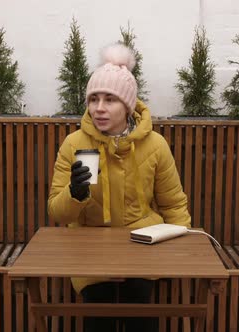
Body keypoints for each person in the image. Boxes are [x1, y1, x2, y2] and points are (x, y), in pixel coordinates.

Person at [47, 43, 192, 332]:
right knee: (98, 311)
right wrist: (75, 194)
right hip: (90, 250)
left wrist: (180, 258)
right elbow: (58, 213)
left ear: (127, 105)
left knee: (140, 309)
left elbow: (173, 205)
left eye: (110, 99)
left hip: (142, 249)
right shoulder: (77, 145)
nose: (99, 108)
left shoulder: (155, 145)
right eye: (94, 99)